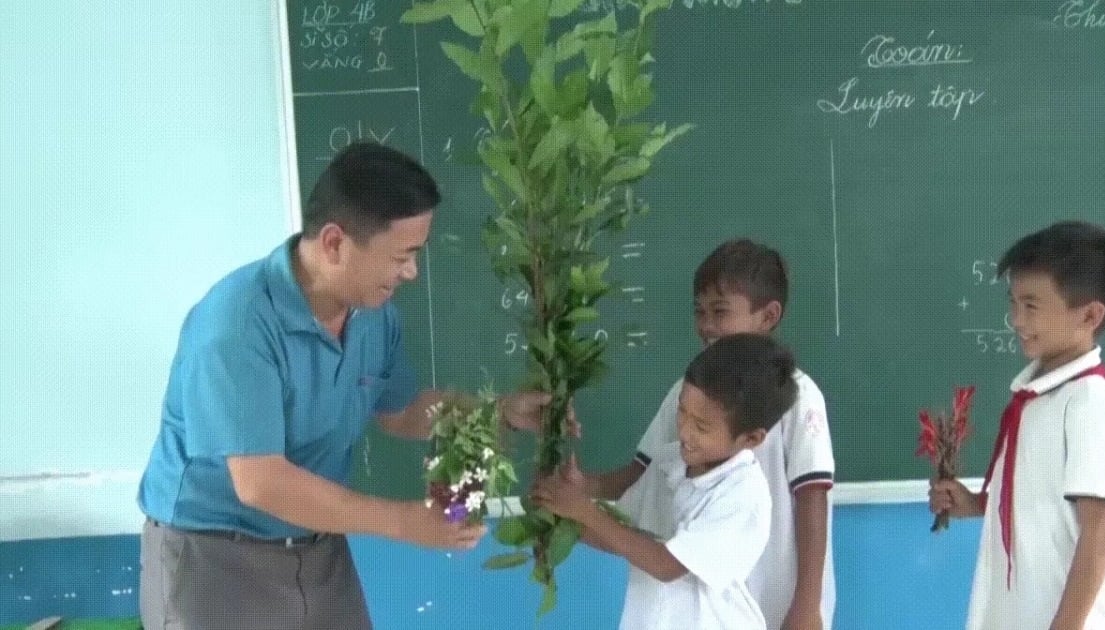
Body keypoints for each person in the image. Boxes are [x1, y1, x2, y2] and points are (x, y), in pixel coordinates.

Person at [136, 142, 550, 630]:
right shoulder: (237, 325)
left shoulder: (374, 317)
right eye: (403, 256)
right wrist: (405, 521)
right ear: (334, 243)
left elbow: (401, 411)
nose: (412, 272)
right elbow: (260, 481)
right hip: (214, 559)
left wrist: (496, 412)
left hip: (318, 551)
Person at [583, 239, 837, 630]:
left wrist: (806, 606)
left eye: (720, 312)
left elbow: (812, 499)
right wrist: (580, 488)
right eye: (699, 312)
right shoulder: (689, 391)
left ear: (768, 316)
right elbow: (641, 472)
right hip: (701, 594)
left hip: (778, 592)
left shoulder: (799, 398)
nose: (706, 325)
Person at [930, 221, 1105, 630]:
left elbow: (1098, 533)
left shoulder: (1088, 402)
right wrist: (976, 505)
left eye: (1032, 305)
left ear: (1090, 314)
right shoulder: (1035, 399)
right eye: (1013, 303)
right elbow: (1041, 506)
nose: (1015, 319)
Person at [533, 333, 799, 630]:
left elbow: (665, 565)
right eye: (681, 412)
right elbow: (627, 538)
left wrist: (584, 510)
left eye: (701, 426)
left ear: (751, 438)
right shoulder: (670, 461)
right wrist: (561, 517)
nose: (684, 431)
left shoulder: (744, 496)